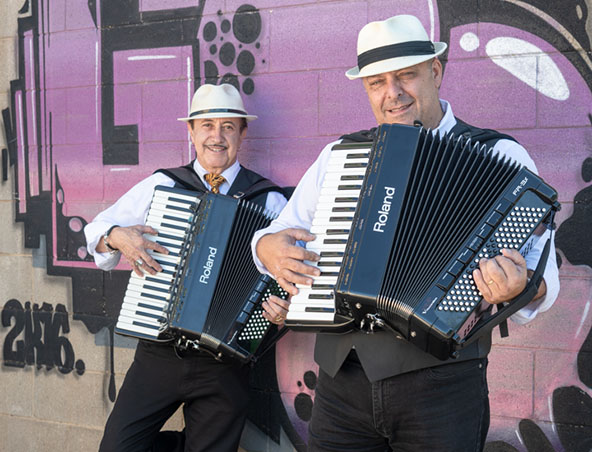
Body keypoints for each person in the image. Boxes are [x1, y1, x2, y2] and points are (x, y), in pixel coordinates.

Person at [253, 15, 560, 452]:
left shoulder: (499, 155)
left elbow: (542, 276)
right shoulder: (340, 156)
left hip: (443, 388)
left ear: (435, 70)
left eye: (406, 76)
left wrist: (520, 287)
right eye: (376, 82)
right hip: (341, 385)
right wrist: (268, 247)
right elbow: (279, 231)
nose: (392, 94)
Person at [84, 83, 287, 452]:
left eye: (228, 126)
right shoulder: (164, 185)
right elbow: (95, 229)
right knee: (118, 447)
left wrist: (283, 307)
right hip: (159, 352)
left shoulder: (268, 199)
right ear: (191, 132)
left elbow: (290, 277)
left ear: (243, 133)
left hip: (226, 363)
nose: (217, 136)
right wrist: (117, 235)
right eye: (207, 125)